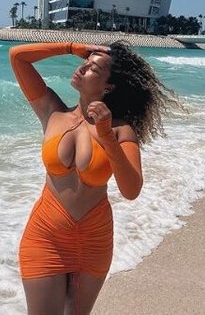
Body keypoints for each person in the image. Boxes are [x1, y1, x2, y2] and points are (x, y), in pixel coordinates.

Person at [9, 40, 180, 315]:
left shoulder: (121, 131)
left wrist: (106, 135)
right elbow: (17, 57)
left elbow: (131, 190)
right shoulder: (52, 110)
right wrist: (71, 47)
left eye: (93, 69)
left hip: (93, 241)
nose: (82, 68)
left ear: (108, 87)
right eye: (85, 63)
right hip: (46, 236)